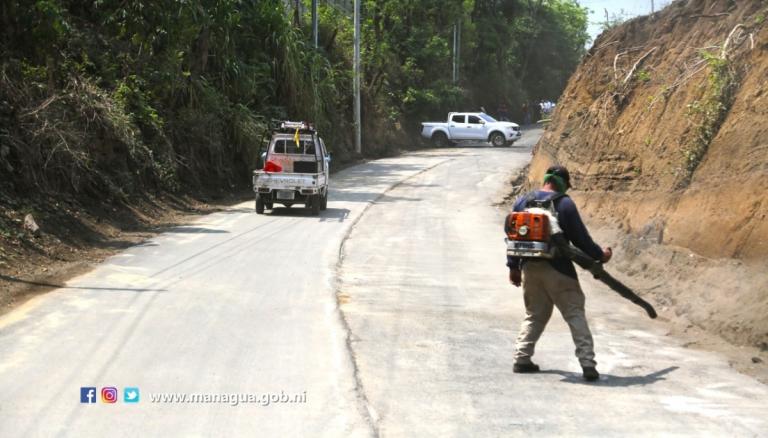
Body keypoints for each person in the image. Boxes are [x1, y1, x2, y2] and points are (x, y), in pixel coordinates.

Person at [507, 165, 612, 381]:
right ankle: (587, 363)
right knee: (574, 313)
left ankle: (522, 358)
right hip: (558, 269)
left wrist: (513, 267)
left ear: (546, 180)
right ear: (564, 184)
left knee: (535, 314)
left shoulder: (523, 201)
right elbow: (581, 240)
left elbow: (512, 235)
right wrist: (601, 255)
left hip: (529, 268)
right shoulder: (564, 204)